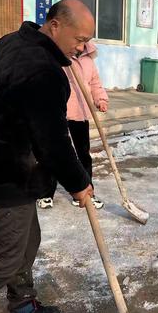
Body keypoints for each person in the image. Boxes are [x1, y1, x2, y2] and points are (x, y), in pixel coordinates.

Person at [0, 0, 95, 313]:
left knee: (28, 243)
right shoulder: (44, 71)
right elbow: (52, 141)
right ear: (55, 25)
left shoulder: (10, 42)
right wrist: (78, 182)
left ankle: (22, 305)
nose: (83, 48)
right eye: (80, 39)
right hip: (6, 176)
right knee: (4, 258)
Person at [37, 42, 108, 210]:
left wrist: (101, 100)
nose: (80, 45)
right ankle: (46, 193)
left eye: (84, 41)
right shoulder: (59, 58)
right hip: (59, 114)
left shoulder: (89, 62)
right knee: (54, 153)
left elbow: (95, 84)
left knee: (83, 154)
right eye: (78, 40)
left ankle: (85, 193)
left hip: (81, 114)